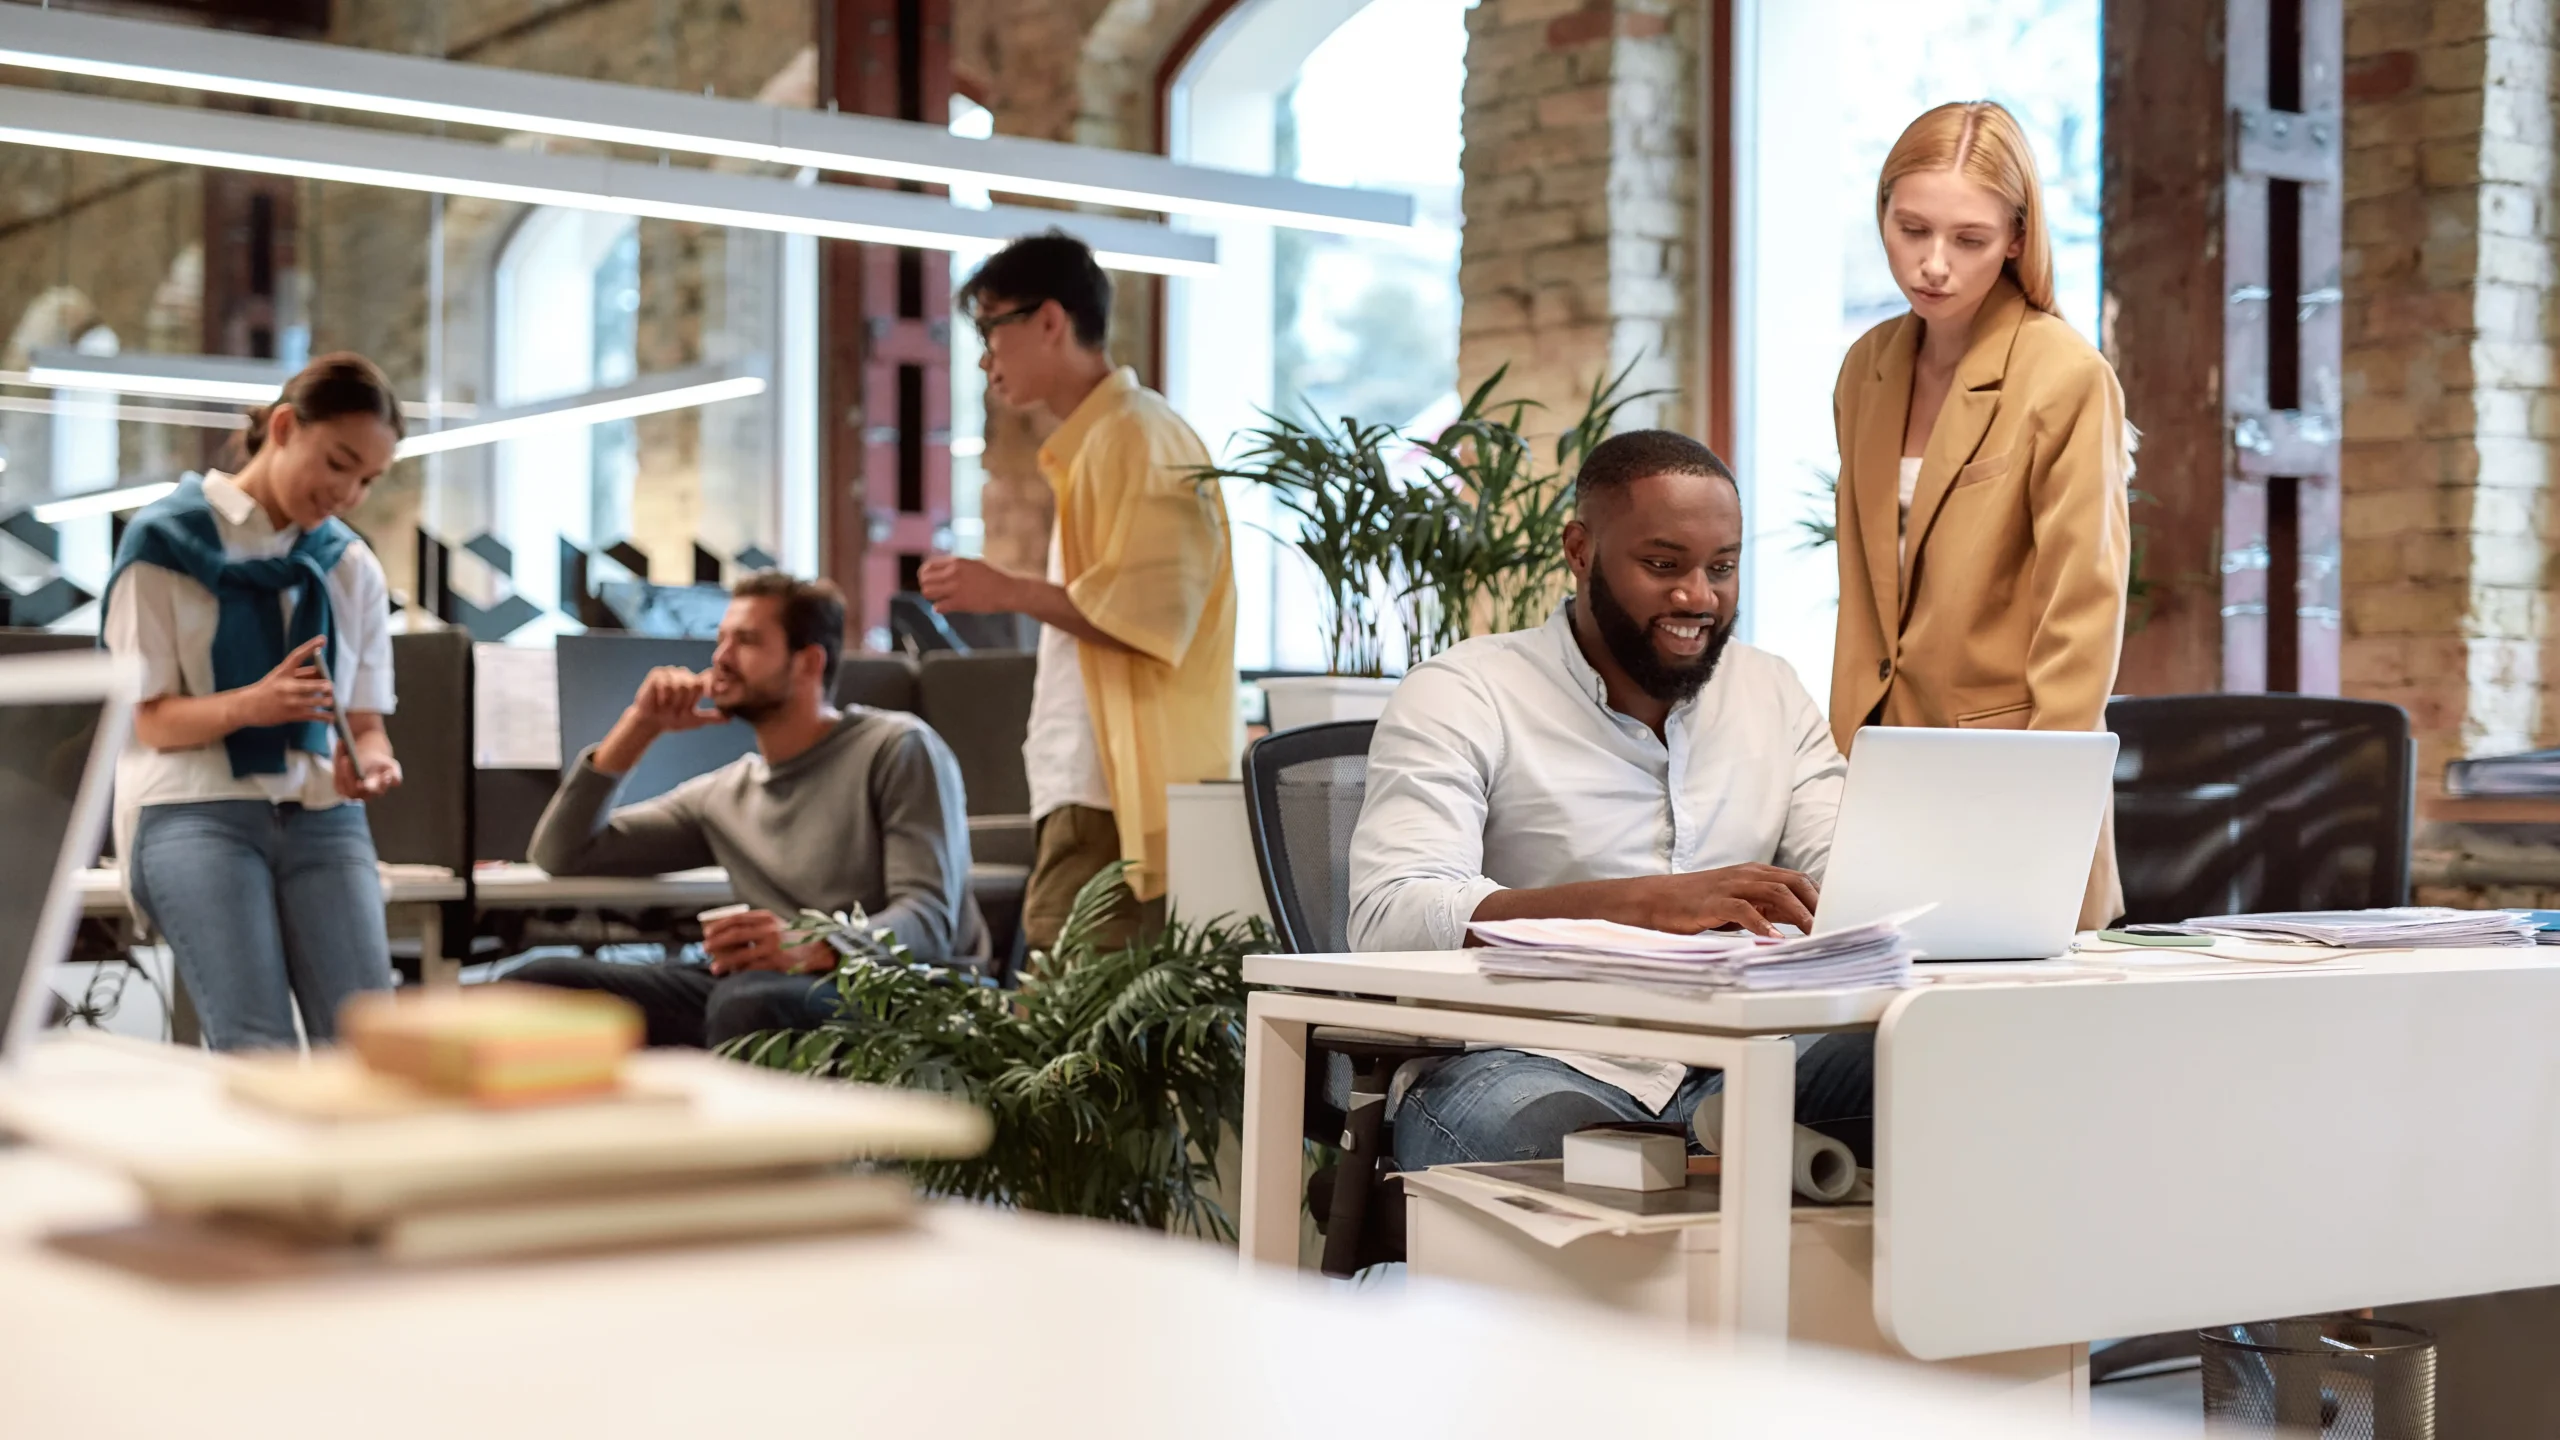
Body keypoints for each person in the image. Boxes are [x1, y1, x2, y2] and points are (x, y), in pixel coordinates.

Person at [1348, 429, 1873, 1170]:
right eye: (1663, 565)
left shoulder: (1769, 690)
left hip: (1752, 1051)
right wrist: (1641, 905)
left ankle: (1713, 1155)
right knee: (1527, 1136)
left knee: (1932, 1066)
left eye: (1721, 568)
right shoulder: (1465, 690)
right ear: (1579, 550)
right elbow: (1391, 913)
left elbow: (1846, 878)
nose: (1698, 596)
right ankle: (1721, 1155)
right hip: (1539, 1057)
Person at [1830, 100, 2132, 930]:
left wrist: (2042, 808)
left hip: (2016, 775)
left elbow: (2083, 615)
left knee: (2011, 1046)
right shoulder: (1867, 370)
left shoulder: (2064, 374)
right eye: (1910, 229)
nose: (1932, 265)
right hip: (1886, 769)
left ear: (2015, 238)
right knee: (1876, 1048)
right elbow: (1863, 587)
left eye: (1967, 240)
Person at [919, 229, 1237, 952]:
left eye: (991, 329)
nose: (984, 358)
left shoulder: (1137, 437)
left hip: (1115, 796)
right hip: (1096, 788)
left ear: (1049, 321)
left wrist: (1009, 591)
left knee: (1067, 1032)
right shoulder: (1105, 441)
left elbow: (1151, 617)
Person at [514, 572, 984, 1050]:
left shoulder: (896, 748)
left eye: (746, 641)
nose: (719, 658)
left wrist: (816, 945)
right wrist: (640, 726)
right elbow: (562, 853)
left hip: (889, 991)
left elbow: (927, 922)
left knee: (748, 1002)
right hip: (758, 989)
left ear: (808, 663)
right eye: (721, 640)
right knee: (538, 984)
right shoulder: (726, 792)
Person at [103, 353, 407, 1052]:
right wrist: (251, 705)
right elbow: (145, 718)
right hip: (195, 810)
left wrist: (375, 764)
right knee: (257, 1046)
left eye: (368, 479)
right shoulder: (163, 542)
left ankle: (363, 1169)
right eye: (338, 463)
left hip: (323, 813)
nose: (349, 493)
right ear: (282, 427)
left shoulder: (349, 563)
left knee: (368, 1046)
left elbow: (365, 724)